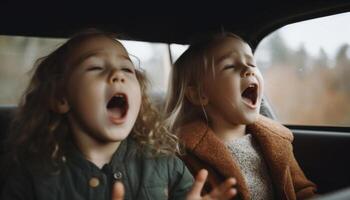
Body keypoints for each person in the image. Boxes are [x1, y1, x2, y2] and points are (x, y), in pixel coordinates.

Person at [0, 29, 237, 200]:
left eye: (127, 69)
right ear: (61, 98)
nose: (117, 75)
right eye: (96, 68)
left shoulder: (165, 165)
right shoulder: (30, 174)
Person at [165, 32, 317, 200]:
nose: (248, 69)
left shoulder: (276, 139)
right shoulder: (183, 154)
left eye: (252, 63)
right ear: (198, 94)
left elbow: (302, 190)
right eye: (230, 66)